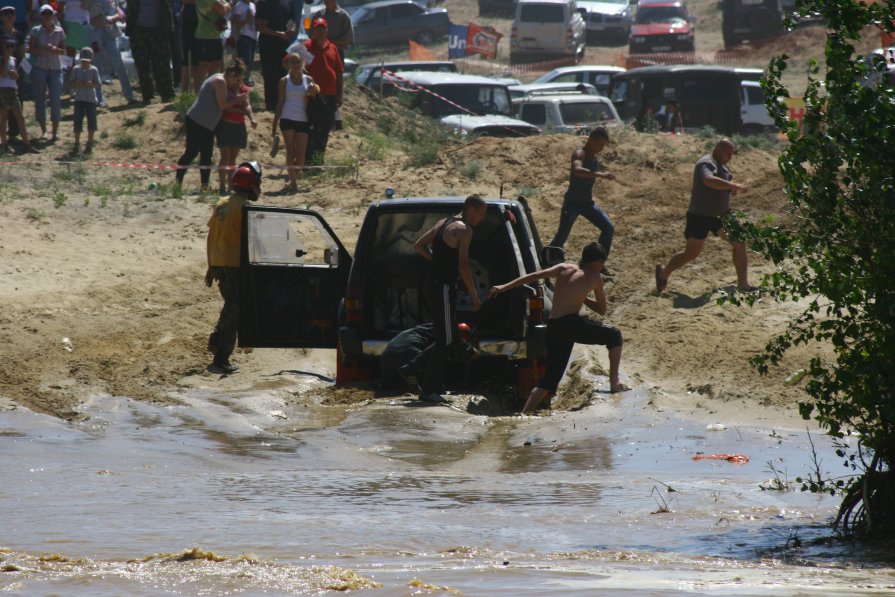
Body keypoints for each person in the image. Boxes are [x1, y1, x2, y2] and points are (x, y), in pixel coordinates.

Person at [489, 242, 629, 414]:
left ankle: (524, 414)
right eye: (602, 264)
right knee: (614, 335)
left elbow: (533, 276)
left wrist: (503, 286)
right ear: (598, 261)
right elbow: (602, 309)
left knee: (549, 380)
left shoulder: (563, 268)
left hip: (553, 327)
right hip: (570, 324)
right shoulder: (595, 277)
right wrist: (584, 298)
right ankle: (614, 383)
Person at [406, 194, 486, 403]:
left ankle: (412, 368)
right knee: (446, 341)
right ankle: (428, 390)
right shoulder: (465, 230)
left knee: (449, 339)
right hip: (442, 287)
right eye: (481, 213)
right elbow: (464, 266)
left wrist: (439, 262)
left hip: (434, 284)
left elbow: (418, 245)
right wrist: (475, 297)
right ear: (470, 209)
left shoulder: (444, 222)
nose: (482, 218)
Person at [655, 138, 757, 294]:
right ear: (718, 150)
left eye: (732, 155)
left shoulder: (723, 166)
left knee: (739, 242)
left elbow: (722, 186)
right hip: (700, 216)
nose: (730, 158)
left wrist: (732, 190)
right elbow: (708, 180)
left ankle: (743, 283)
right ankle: (663, 273)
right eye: (728, 154)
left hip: (722, 215)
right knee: (691, 254)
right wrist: (733, 185)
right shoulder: (706, 163)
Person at [205, 159, 263, 374]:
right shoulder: (246, 208)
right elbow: (254, 241)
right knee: (235, 312)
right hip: (236, 266)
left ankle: (216, 339)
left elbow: (211, 236)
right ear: (251, 184)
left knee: (230, 305)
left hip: (219, 263)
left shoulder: (222, 203)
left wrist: (211, 266)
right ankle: (221, 359)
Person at [548, 127, 617, 270]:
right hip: (572, 203)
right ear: (592, 140)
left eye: (603, 145)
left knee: (608, 228)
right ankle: (547, 259)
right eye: (600, 144)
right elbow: (577, 170)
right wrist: (600, 175)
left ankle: (599, 263)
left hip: (587, 203)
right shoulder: (580, 153)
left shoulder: (594, 158)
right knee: (561, 237)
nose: (601, 148)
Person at [175, 59, 248, 191]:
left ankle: (204, 186)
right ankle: (178, 183)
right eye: (236, 79)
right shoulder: (220, 81)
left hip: (209, 125)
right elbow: (223, 105)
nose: (237, 82)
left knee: (206, 155)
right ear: (232, 75)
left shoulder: (224, 81)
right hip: (197, 121)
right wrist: (238, 99)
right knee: (191, 152)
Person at [271, 52, 318, 193]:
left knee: (301, 155)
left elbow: (313, 99)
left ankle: (293, 180)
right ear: (288, 64)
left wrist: (312, 92)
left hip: (303, 118)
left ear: (302, 63)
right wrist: (274, 122)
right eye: (293, 62)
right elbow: (280, 102)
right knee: (290, 151)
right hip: (287, 117)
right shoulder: (284, 81)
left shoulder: (308, 79)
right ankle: (293, 182)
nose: (296, 65)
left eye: (298, 62)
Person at [303, 17, 341, 164]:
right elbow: (288, 61)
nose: (320, 31)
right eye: (317, 28)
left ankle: (319, 161)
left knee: (325, 128)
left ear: (327, 31)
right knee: (311, 127)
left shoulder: (332, 48)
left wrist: (340, 94)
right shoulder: (306, 46)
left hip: (330, 95)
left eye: (322, 28)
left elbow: (338, 72)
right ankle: (308, 161)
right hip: (312, 95)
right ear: (313, 30)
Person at [125, 0, 175, 105]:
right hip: (138, 31)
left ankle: (167, 94)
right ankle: (147, 95)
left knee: (162, 64)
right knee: (142, 65)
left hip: (159, 30)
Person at [216, 63, 255, 193]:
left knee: (233, 158)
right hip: (226, 124)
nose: (236, 80)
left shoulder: (243, 89)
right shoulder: (224, 88)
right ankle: (222, 186)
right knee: (225, 157)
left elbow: (247, 105)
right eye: (233, 77)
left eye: (237, 77)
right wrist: (240, 109)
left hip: (239, 125)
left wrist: (251, 117)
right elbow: (224, 106)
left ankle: (231, 186)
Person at [29, 3, 65, 142]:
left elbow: (63, 50)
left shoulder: (59, 31)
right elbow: (30, 49)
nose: (47, 16)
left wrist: (55, 49)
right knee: (40, 99)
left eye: (49, 13)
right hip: (40, 67)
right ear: (41, 15)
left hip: (56, 68)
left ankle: (55, 132)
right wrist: (43, 50)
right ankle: (44, 131)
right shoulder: (36, 31)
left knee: (55, 100)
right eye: (44, 14)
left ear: (53, 15)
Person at [255, 0, 294, 110]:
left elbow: (293, 20)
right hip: (268, 43)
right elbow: (259, 26)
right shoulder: (264, 3)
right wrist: (278, 34)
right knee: (270, 74)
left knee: (284, 72)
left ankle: (283, 103)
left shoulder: (287, 3)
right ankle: (271, 105)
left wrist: (291, 30)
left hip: (284, 43)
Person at [0, 35, 36, 153]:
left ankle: (27, 143)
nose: (9, 48)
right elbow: (4, 74)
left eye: (11, 46)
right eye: (7, 46)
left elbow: (13, 75)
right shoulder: (2, 58)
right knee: (4, 117)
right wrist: (5, 59)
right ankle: (4, 143)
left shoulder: (13, 59)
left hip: (12, 89)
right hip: (2, 89)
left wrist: (15, 74)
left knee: (20, 117)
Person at [69, 45, 99, 153]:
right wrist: (77, 83)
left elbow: (98, 84)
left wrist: (91, 84)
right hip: (79, 98)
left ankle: (90, 143)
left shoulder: (94, 70)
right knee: (78, 121)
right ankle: (77, 143)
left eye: (87, 61)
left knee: (91, 121)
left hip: (90, 99)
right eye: (83, 61)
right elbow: (70, 83)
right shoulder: (76, 69)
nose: (85, 63)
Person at [193, 0, 227, 85]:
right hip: (205, 37)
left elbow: (229, 6)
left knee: (216, 64)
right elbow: (223, 10)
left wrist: (225, 6)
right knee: (204, 66)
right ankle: (199, 95)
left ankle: (211, 92)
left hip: (216, 36)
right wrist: (224, 7)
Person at [230, 0, 255, 86]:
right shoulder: (239, 5)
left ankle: (245, 82)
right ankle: (240, 83)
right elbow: (235, 25)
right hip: (243, 36)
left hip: (253, 36)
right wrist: (247, 19)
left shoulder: (252, 5)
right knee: (245, 62)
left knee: (250, 62)